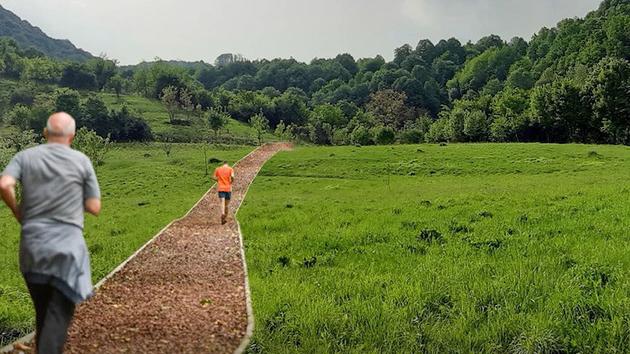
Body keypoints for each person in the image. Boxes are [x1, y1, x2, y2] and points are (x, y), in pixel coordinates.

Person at [0, 112, 101, 354]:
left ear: (45, 133)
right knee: (58, 313)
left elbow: (4, 184)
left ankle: (40, 347)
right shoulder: (81, 161)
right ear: (73, 136)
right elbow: (94, 207)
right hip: (66, 250)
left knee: (43, 307)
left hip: (31, 250)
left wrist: (18, 213)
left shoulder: (25, 157)